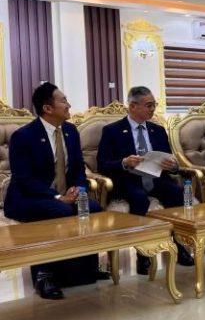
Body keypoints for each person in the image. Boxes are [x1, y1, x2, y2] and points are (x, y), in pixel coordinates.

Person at [4, 82, 106, 299]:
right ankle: (44, 274)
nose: (69, 105)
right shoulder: (23, 136)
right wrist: (59, 197)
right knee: (59, 210)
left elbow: (78, 169)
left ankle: (86, 269)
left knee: (93, 207)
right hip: (28, 197)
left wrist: (78, 189)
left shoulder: (70, 131)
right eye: (63, 101)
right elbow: (24, 179)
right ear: (47, 108)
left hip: (64, 194)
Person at [96, 86, 194, 274]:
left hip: (156, 179)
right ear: (133, 106)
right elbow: (102, 164)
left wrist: (172, 166)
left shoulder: (158, 130)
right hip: (129, 181)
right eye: (149, 105)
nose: (153, 109)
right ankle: (142, 254)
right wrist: (124, 163)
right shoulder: (112, 131)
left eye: (154, 105)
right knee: (139, 198)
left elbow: (172, 161)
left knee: (176, 192)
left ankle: (178, 244)